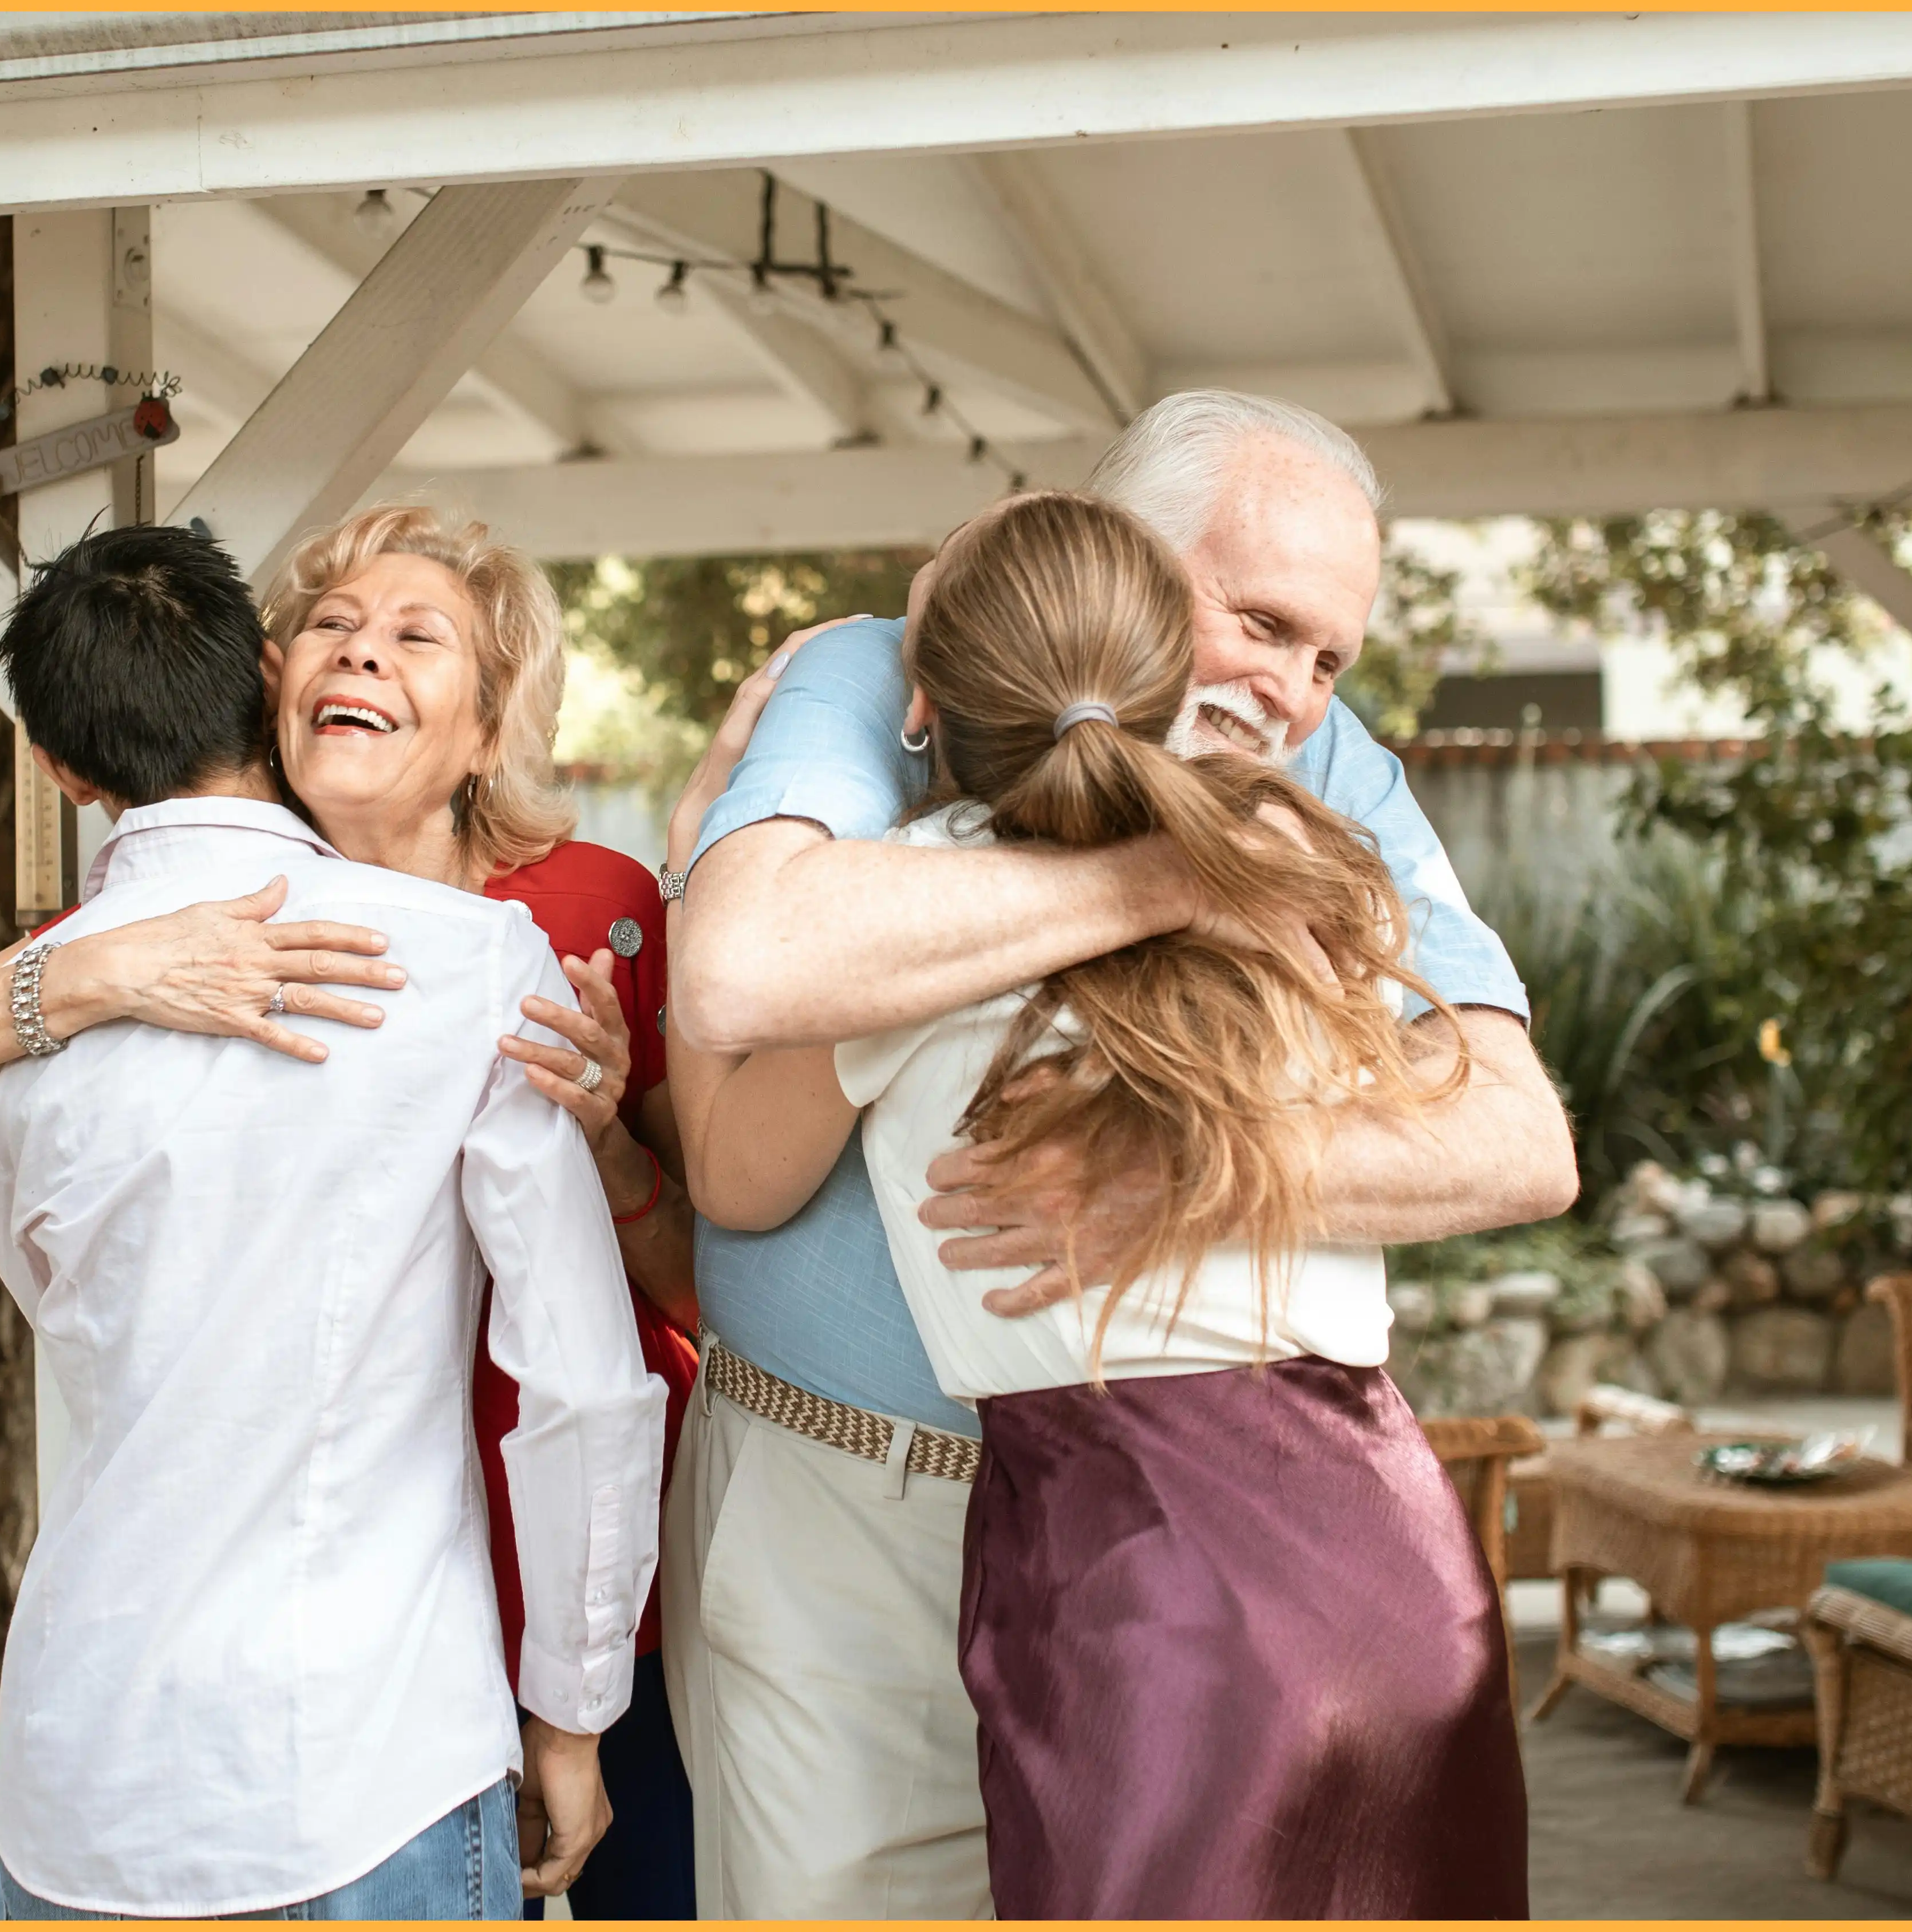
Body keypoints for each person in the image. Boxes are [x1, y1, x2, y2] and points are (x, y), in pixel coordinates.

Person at [652, 390, 1579, 1918]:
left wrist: (1183, 1175)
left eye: (1329, 654)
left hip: (1163, 1557)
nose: (1292, 695)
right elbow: (745, 973)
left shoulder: (1323, 769)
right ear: (1117, 552)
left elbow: (1514, 1133)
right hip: (855, 1513)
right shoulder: (874, 673)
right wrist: (1169, 873)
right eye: (1261, 620)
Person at [0, 505, 700, 1918]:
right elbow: (581, 1384)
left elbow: (69, 1299)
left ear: (56, 766)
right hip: (367, 1742)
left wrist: (75, 979)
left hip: (88, 1760)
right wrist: (570, 1719)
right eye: (336, 627)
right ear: (267, 681)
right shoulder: (474, 969)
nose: (362, 655)